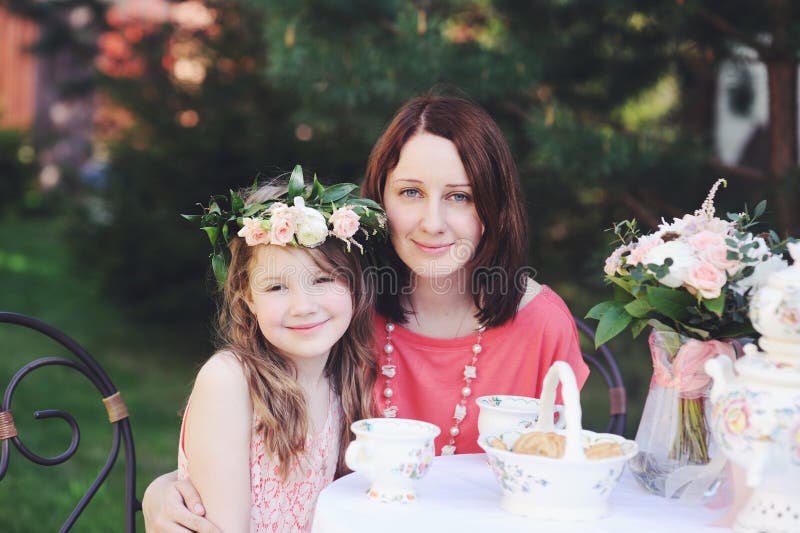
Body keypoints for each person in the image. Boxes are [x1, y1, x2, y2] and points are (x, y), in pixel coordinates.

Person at [143, 95, 590, 532]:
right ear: (378, 201)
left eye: (460, 196)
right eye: (411, 192)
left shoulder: (541, 324)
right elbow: (260, 446)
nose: (432, 222)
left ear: (492, 208)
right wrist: (165, 487)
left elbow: (561, 482)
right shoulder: (341, 311)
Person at [171, 175, 385, 532]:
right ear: (247, 298)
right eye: (275, 286)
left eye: (322, 280)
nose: (303, 307)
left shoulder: (342, 381)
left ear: (354, 284)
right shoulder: (229, 381)